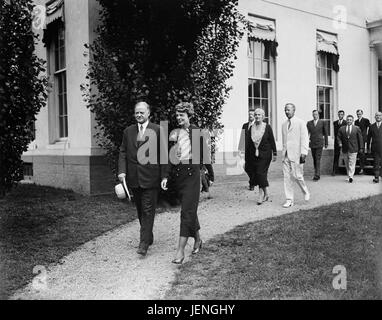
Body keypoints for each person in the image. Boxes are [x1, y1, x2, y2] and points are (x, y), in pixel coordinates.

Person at [161, 102, 213, 264]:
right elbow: (171, 156)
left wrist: (210, 174)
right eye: (177, 115)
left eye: (181, 115)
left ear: (189, 116)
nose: (179, 118)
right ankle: (197, 239)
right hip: (178, 177)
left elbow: (204, 155)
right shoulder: (175, 133)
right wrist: (165, 176)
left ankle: (180, 251)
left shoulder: (196, 131)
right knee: (189, 210)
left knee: (186, 212)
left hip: (192, 176)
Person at [118, 101, 169, 256]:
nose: (139, 115)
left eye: (142, 112)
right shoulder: (128, 131)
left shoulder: (158, 130)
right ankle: (148, 235)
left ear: (148, 113)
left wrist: (164, 176)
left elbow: (164, 155)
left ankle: (144, 243)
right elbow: (123, 152)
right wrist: (122, 172)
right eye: (137, 113)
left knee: (148, 209)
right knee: (140, 209)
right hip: (134, 178)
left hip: (151, 178)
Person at [243, 108, 277, 205]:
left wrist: (274, 153)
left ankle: (260, 195)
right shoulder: (251, 128)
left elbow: (272, 141)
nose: (257, 116)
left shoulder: (267, 127)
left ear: (263, 116)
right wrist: (246, 157)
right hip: (254, 155)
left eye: (259, 115)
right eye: (256, 115)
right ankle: (266, 193)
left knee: (260, 173)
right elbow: (248, 144)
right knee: (259, 174)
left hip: (265, 155)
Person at [281, 103, 310, 208]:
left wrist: (304, 152)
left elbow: (305, 138)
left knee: (297, 176)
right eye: (285, 110)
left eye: (288, 110)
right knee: (287, 178)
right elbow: (285, 140)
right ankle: (289, 200)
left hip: (297, 154)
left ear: (294, 110)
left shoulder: (300, 123)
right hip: (286, 155)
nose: (286, 112)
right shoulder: (284, 124)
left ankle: (305, 191)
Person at [337, 115, 364, 183]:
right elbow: (338, 137)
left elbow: (360, 138)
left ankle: (351, 176)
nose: (349, 121)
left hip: (353, 148)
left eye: (350, 120)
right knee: (346, 163)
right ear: (346, 120)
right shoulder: (342, 128)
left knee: (352, 163)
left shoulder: (356, 128)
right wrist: (340, 143)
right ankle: (349, 175)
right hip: (345, 149)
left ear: (352, 120)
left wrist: (361, 147)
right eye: (348, 119)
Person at [307, 110, 328, 181]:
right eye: (313, 114)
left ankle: (317, 175)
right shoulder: (309, 123)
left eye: (316, 114)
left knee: (317, 158)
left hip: (319, 143)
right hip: (312, 143)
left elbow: (325, 133)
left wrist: (326, 143)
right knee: (314, 159)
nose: (314, 116)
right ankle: (316, 172)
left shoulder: (322, 122)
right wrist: (306, 142)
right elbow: (307, 134)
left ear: (318, 115)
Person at [238, 110, 256, 190]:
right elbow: (242, 137)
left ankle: (252, 183)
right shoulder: (245, 125)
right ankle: (253, 180)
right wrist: (240, 148)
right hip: (245, 150)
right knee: (246, 167)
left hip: (254, 150)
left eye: (252, 114)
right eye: (249, 114)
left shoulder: (257, 125)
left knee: (253, 166)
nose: (250, 116)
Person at [367, 111, 382, 183]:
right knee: (376, 163)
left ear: (381, 117)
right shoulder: (371, 126)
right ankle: (376, 177)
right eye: (377, 115)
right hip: (375, 148)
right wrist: (368, 148)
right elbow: (368, 138)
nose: (378, 117)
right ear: (375, 117)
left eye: (379, 115)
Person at [354, 109, 370, 174]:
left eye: (360, 114)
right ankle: (361, 166)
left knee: (361, 152)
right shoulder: (356, 121)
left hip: (363, 138)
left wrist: (367, 136)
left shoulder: (366, 120)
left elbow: (370, 127)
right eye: (357, 114)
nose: (358, 115)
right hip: (357, 138)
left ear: (362, 114)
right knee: (360, 153)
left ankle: (362, 168)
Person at [332, 110, 347, 175]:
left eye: (341, 114)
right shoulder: (335, 123)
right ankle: (334, 170)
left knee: (346, 156)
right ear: (338, 115)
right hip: (336, 142)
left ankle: (347, 171)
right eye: (339, 114)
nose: (340, 115)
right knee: (336, 156)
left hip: (344, 141)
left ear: (343, 115)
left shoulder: (346, 122)